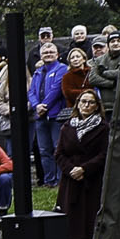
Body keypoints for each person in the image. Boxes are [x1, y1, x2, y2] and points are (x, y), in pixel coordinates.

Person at [55, 89, 108, 239]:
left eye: (91, 102)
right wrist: (70, 170)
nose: (86, 105)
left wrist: (84, 169)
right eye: (83, 102)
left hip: (90, 181)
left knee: (89, 222)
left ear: (96, 106)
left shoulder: (102, 128)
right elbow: (59, 153)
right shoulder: (67, 127)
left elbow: (103, 154)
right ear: (77, 104)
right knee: (72, 223)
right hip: (70, 182)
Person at [26, 37, 68, 186]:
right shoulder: (37, 72)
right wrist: (37, 106)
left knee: (58, 149)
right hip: (40, 116)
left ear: (57, 54)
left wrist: (44, 105)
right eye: (45, 52)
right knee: (44, 150)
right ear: (41, 55)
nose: (48, 54)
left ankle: (60, 180)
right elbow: (31, 92)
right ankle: (49, 180)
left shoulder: (62, 69)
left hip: (55, 115)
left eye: (51, 52)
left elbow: (56, 90)